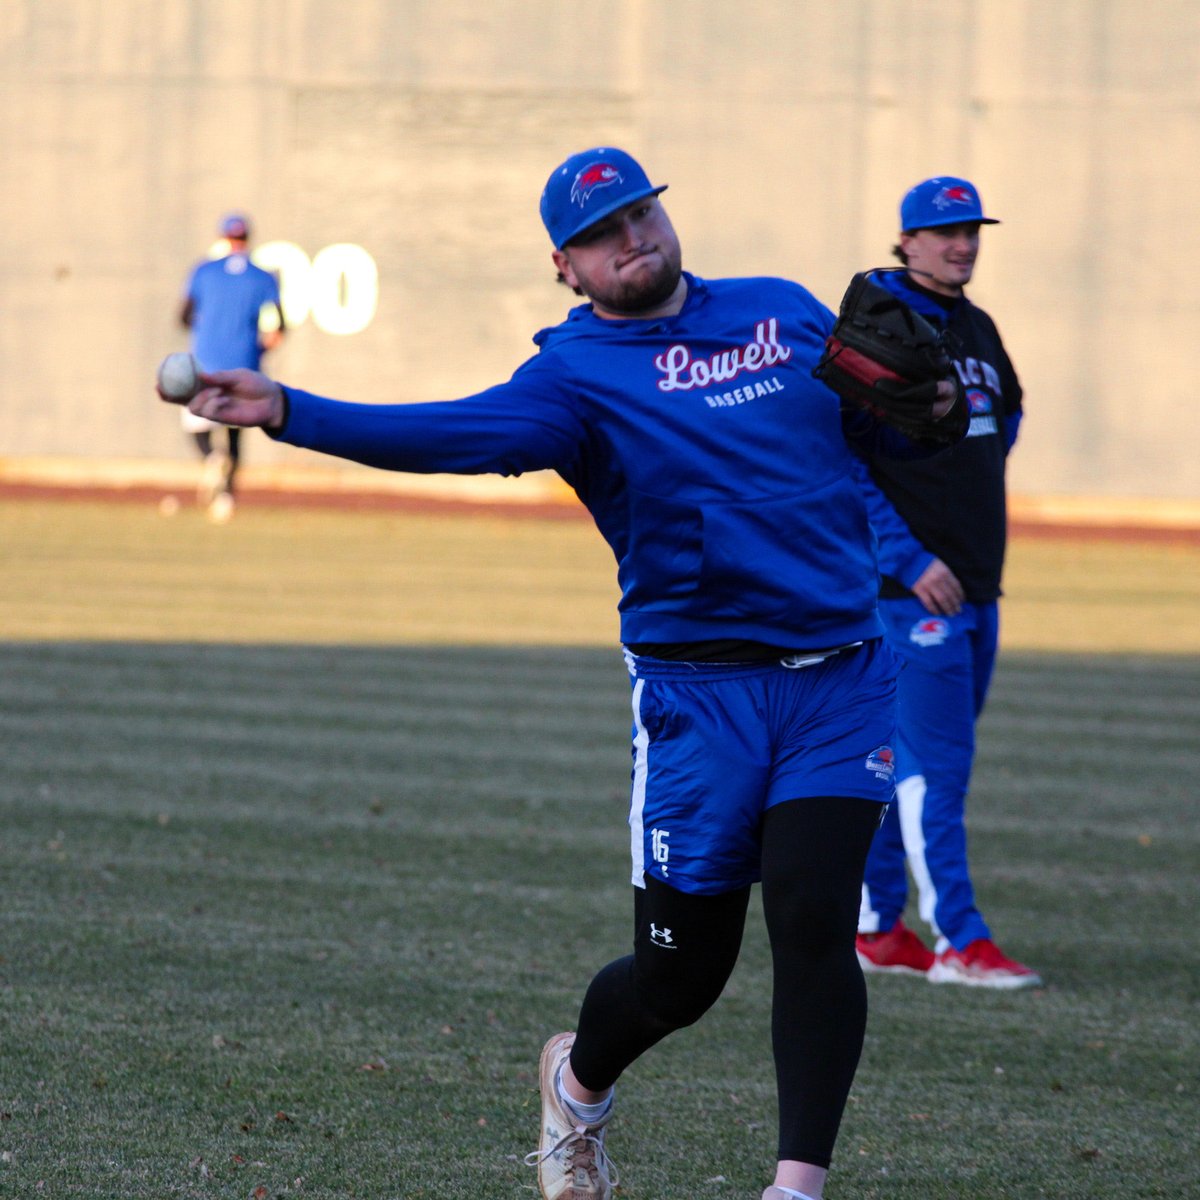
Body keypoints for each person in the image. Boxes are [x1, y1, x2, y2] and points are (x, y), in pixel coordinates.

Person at [159, 148, 962, 1200]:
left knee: (816, 924)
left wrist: (936, 406)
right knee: (682, 978)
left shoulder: (786, 312)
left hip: (838, 679)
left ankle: (795, 1188)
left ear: (665, 218)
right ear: (565, 268)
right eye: (596, 234)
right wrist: (293, 411)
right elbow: (448, 435)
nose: (628, 237)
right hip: (699, 699)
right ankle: (576, 1089)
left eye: (637, 213)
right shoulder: (574, 380)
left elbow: (892, 433)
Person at [851, 177, 1041, 989]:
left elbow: (1010, 409)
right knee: (937, 769)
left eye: (971, 230)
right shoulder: (874, 325)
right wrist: (907, 554)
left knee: (907, 764)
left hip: (975, 583)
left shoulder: (974, 322)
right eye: (945, 231)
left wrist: (967, 481)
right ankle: (959, 941)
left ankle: (875, 928)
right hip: (914, 592)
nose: (962, 243)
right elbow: (845, 466)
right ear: (907, 241)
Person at [177, 212, 285, 522]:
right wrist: (265, 341)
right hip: (246, 365)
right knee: (236, 433)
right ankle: (225, 500)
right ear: (248, 239)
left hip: (205, 363)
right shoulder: (262, 276)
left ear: (223, 238)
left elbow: (183, 317)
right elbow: (280, 326)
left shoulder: (204, 271)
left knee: (198, 427)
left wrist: (207, 326)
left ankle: (212, 458)